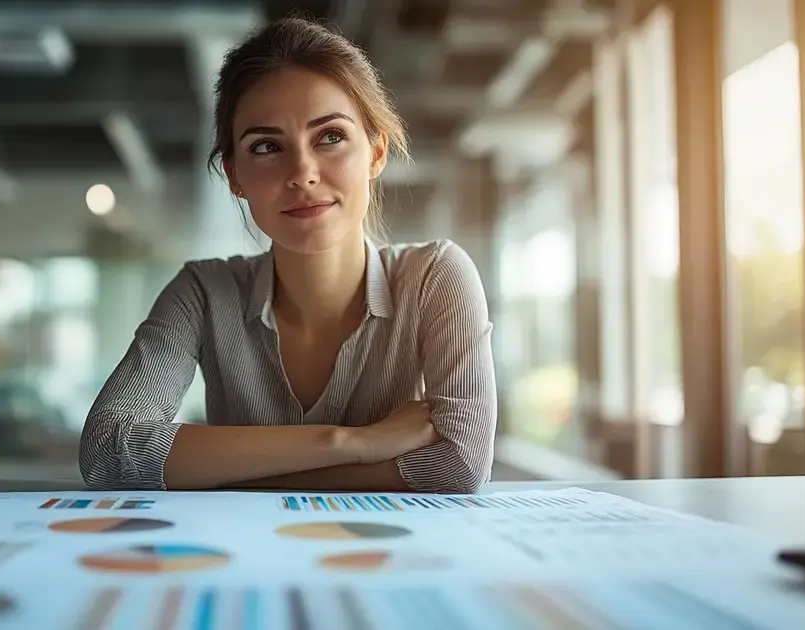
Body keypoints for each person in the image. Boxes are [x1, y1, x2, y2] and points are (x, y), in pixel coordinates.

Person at [80, 16, 496, 493]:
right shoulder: (204, 292)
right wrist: (349, 443)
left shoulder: (436, 276)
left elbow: (461, 463)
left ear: (376, 153)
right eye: (266, 146)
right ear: (234, 176)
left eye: (331, 136)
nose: (302, 172)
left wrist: (226, 467)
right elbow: (108, 450)